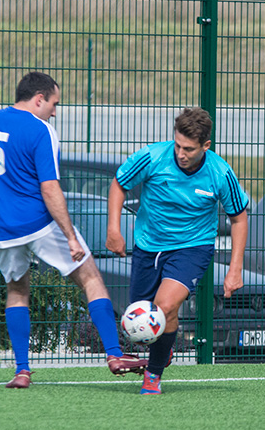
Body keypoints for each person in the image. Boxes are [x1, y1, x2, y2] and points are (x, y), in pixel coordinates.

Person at [0, 71, 147, 388]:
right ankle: (115, 354)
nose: (55, 110)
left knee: (17, 292)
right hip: (38, 221)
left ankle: (22, 370)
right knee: (90, 277)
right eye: (54, 103)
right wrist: (71, 237)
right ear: (39, 99)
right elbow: (50, 189)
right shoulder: (41, 130)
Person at [106, 107, 249, 395]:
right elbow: (119, 184)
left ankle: (153, 375)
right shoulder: (152, 157)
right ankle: (164, 348)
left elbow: (239, 217)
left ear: (205, 146)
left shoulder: (220, 172)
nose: (181, 153)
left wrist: (235, 269)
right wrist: (113, 230)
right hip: (148, 247)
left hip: (192, 248)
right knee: (142, 320)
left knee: (164, 307)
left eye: (189, 149)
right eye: (178, 145)